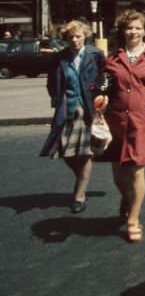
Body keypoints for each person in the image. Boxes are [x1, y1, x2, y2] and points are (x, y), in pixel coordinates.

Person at [93, 10, 145, 243]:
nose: (134, 32)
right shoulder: (112, 59)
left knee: (136, 170)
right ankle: (129, 199)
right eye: (129, 27)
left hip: (143, 123)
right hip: (116, 121)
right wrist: (99, 96)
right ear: (122, 31)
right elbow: (101, 89)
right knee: (119, 175)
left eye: (138, 28)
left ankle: (133, 219)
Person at [40, 21, 106, 213]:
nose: (75, 40)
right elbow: (52, 82)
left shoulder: (95, 54)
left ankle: (80, 195)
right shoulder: (59, 58)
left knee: (85, 154)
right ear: (66, 39)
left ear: (85, 36)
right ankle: (82, 178)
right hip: (66, 109)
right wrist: (56, 98)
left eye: (78, 36)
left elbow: (104, 77)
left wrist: (101, 95)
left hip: (88, 109)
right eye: (71, 37)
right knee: (64, 151)